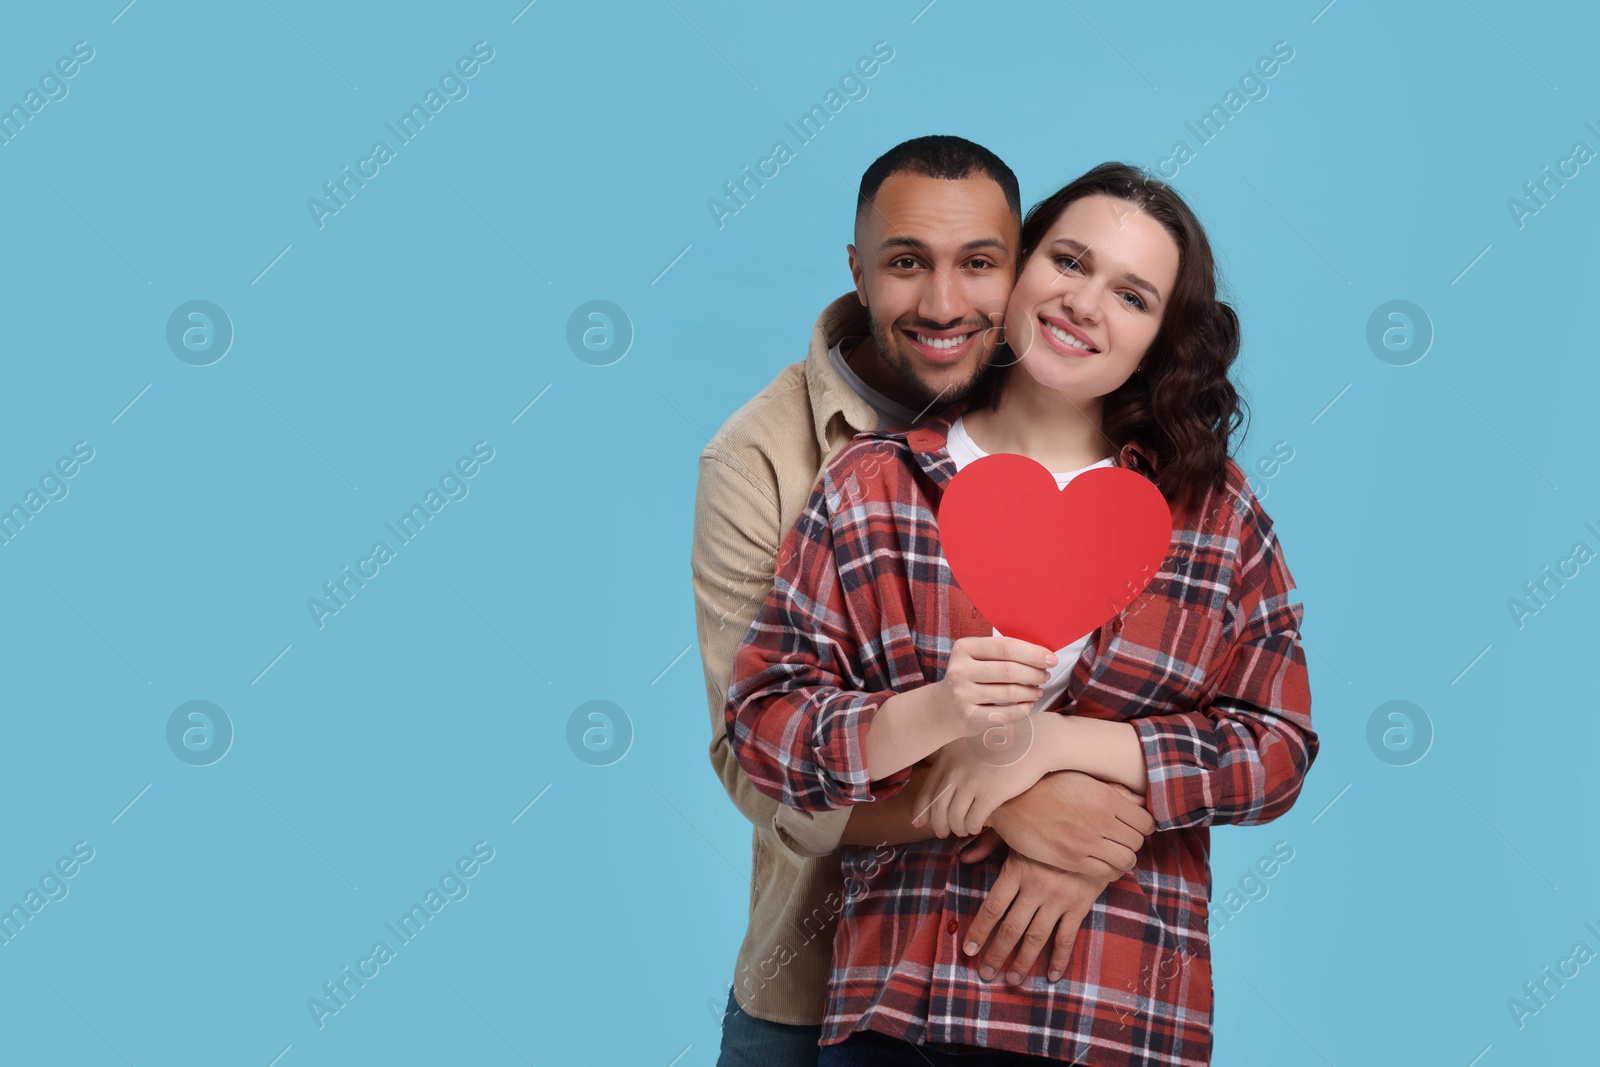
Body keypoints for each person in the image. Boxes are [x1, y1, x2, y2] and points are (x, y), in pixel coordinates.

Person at [727, 162, 1319, 1066]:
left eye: (1132, 294)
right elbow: (767, 727)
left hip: (1119, 1015)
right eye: (1069, 261)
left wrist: (1059, 747)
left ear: (1161, 338)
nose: (1086, 303)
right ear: (1020, 270)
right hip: (902, 1010)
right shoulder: (874, 485)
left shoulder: (1216, 513)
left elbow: (1275, 750)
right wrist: (930, 716)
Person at [694, 140, 1158, 1067]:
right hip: (816, 979)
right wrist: (1007, 799)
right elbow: (757, 765)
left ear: (1021, 269)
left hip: (1051, 983)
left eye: (979, 264)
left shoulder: (1111, 436)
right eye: (906, 263)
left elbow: (1212, 707)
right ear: (858, 270)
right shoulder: (761, 459)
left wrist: (1073, 779)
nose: (944, 304)